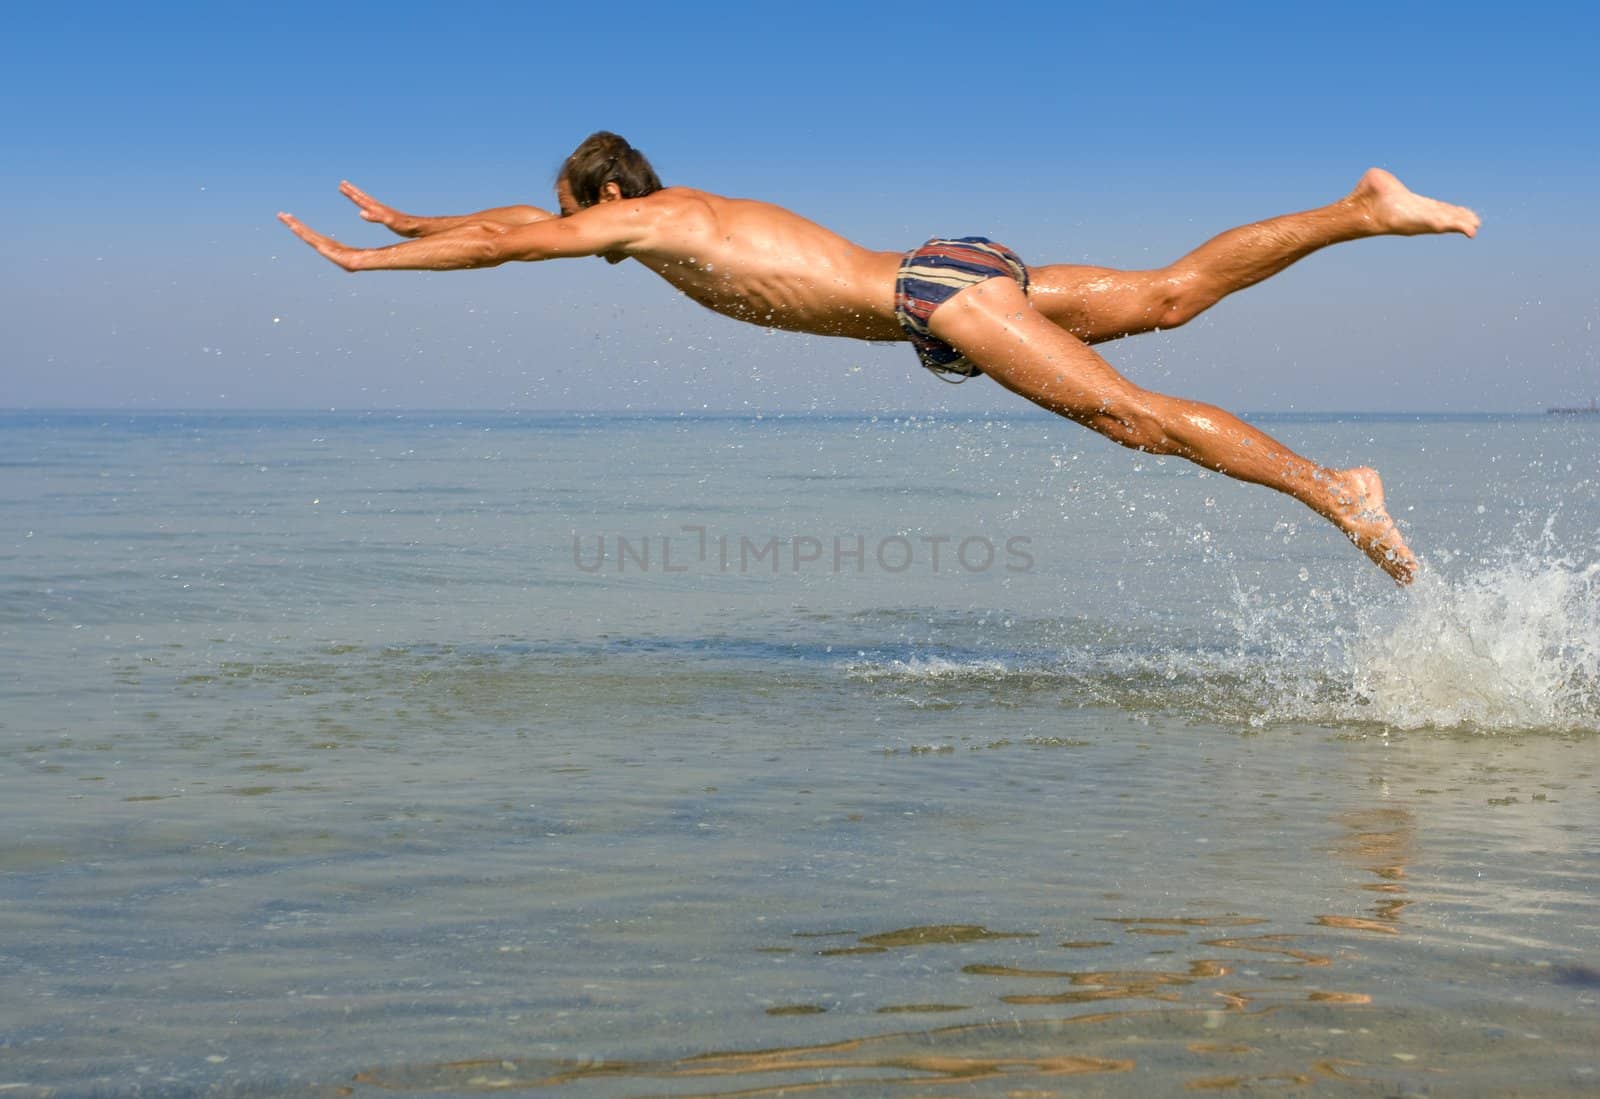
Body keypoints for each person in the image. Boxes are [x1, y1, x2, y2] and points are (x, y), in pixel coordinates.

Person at [278, 132, 1480, 584]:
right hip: (949, 273)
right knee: (1168, 296)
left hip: (932, 296)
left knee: (1134, 420)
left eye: (573, 215)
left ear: (600, 192)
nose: (572, 238)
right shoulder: (679, 217)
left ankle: (1337, 492)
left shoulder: (641, 214)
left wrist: (368, 265)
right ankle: (1360, 207)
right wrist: (413, 221)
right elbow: (497, 223)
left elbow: (511, 241)